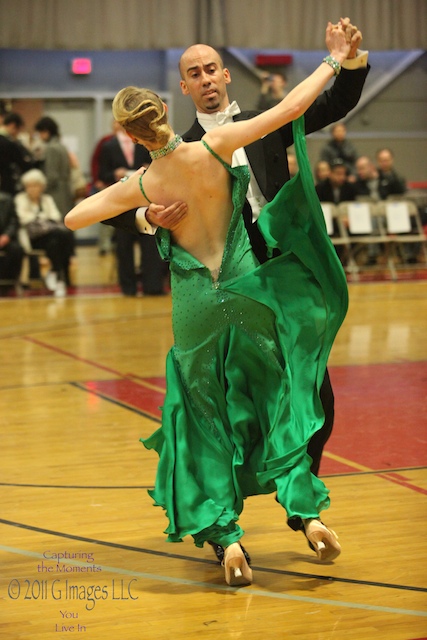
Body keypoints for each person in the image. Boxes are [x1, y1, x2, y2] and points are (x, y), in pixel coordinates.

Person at [65, 20, 353, 587]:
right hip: (249, 291)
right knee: (278, 398)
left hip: (195, 305)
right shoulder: (218, 146)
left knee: (203, 418)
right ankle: (309, 514)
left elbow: (75, 217)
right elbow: (292, 108)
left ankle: (227, 540)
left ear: (130, 131)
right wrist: (334, 60)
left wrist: (146, 207)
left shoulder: (145, 181)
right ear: (168, 109)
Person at [98, 121, 166, 296]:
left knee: (150, 242)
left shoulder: (142, 143)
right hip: (121, 202)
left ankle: (152, 286)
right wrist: (115, 173)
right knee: (124, 245)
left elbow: (156, 165)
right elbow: (102, 174)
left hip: (143, 198)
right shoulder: (108, 146)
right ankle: (128, 288)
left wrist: (146, 169)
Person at [15, 169, 74, 297]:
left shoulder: (47, 199)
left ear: (42, 187)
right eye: (29, 186)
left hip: (50, 237)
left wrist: (41, 220)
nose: (32, 189)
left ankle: (55, 272)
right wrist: (44, 219)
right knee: (61, 236)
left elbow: (56, 216)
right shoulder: (20, 199)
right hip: (32, 237)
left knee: (59, 239)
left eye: (35, 185)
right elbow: (24, 218)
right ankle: (58, 274)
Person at [34, 116, 74, 218]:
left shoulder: (51, 148)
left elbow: (51, 176)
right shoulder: (61, 146)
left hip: (56, 192)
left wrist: (42, 191)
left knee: (57, 222)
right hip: (66, 190)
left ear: (46, 131)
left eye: (40, 133)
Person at [0, 179, 24, 294]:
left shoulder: (7, 199)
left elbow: (14, 221)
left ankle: (9, 282)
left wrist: (6, 235)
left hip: (5, 238)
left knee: (17, 250)